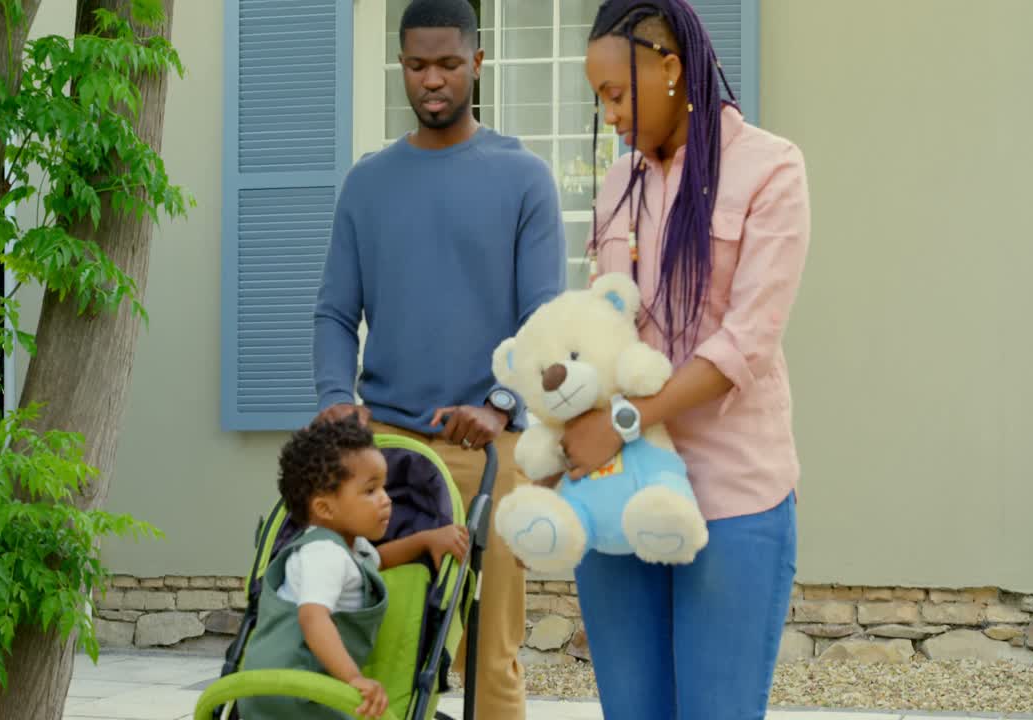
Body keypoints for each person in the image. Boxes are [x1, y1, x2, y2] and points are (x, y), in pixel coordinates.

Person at [554, 1, 811, 718]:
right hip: (618, 495)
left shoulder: (771, 169)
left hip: (734, 496)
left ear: (669, 68)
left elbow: (744, 345)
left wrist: (626, 420)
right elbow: (601, 331)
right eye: (597, 97)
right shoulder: (616, 188)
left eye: (617, 93)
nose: (607, 114)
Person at [311, 0, 567, 715]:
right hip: (382, 452)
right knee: (373, 633)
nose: (433, 80)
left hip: (491, 453)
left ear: (477, 64)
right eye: (418, 65)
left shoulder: (524, 178)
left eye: (449, 64)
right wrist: (336, 397)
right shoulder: (368, 182)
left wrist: (499, 404)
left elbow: (543, 321)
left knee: (491, 651)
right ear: (402, 64)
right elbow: (335, 311)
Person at [237, 417, 471, 720]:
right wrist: (353, 678)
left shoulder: (349, 551)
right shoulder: (323, 554)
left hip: (277, 693)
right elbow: (312, 618)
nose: (387, 500)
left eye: (384, 488)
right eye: (371, 491)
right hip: (297, 694)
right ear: (325, 508)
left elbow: (380, 560)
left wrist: (426, 540)